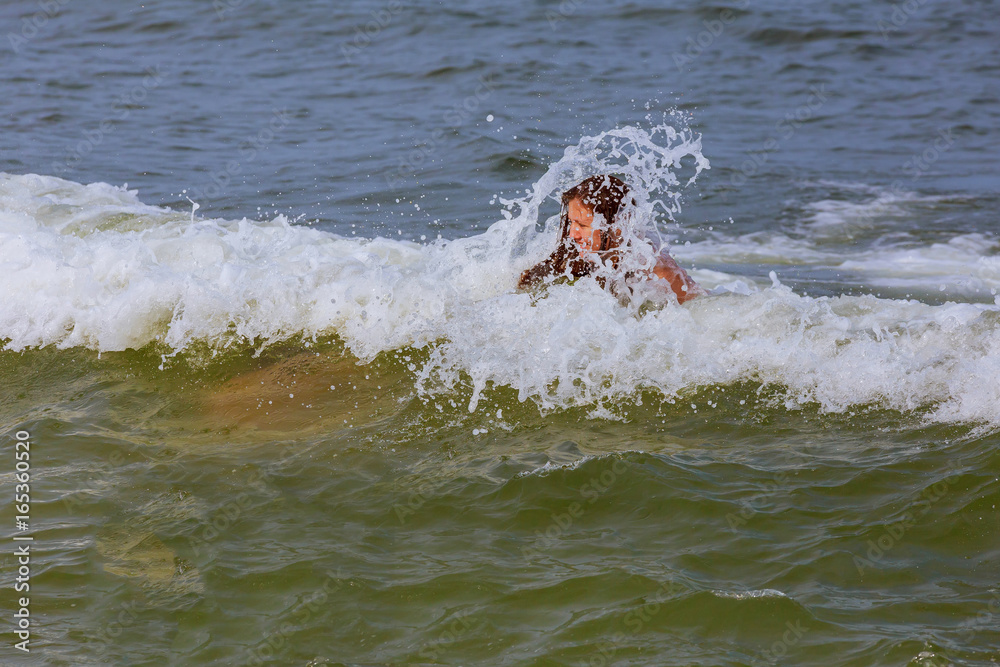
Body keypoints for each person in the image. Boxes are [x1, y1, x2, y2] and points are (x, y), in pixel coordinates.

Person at [517, 175, 703, 303]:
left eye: (582, 225)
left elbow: (695, 314)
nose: (573, 234)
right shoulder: (577, 253)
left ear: (618, 225)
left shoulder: (659, 274)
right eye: (571, 222)